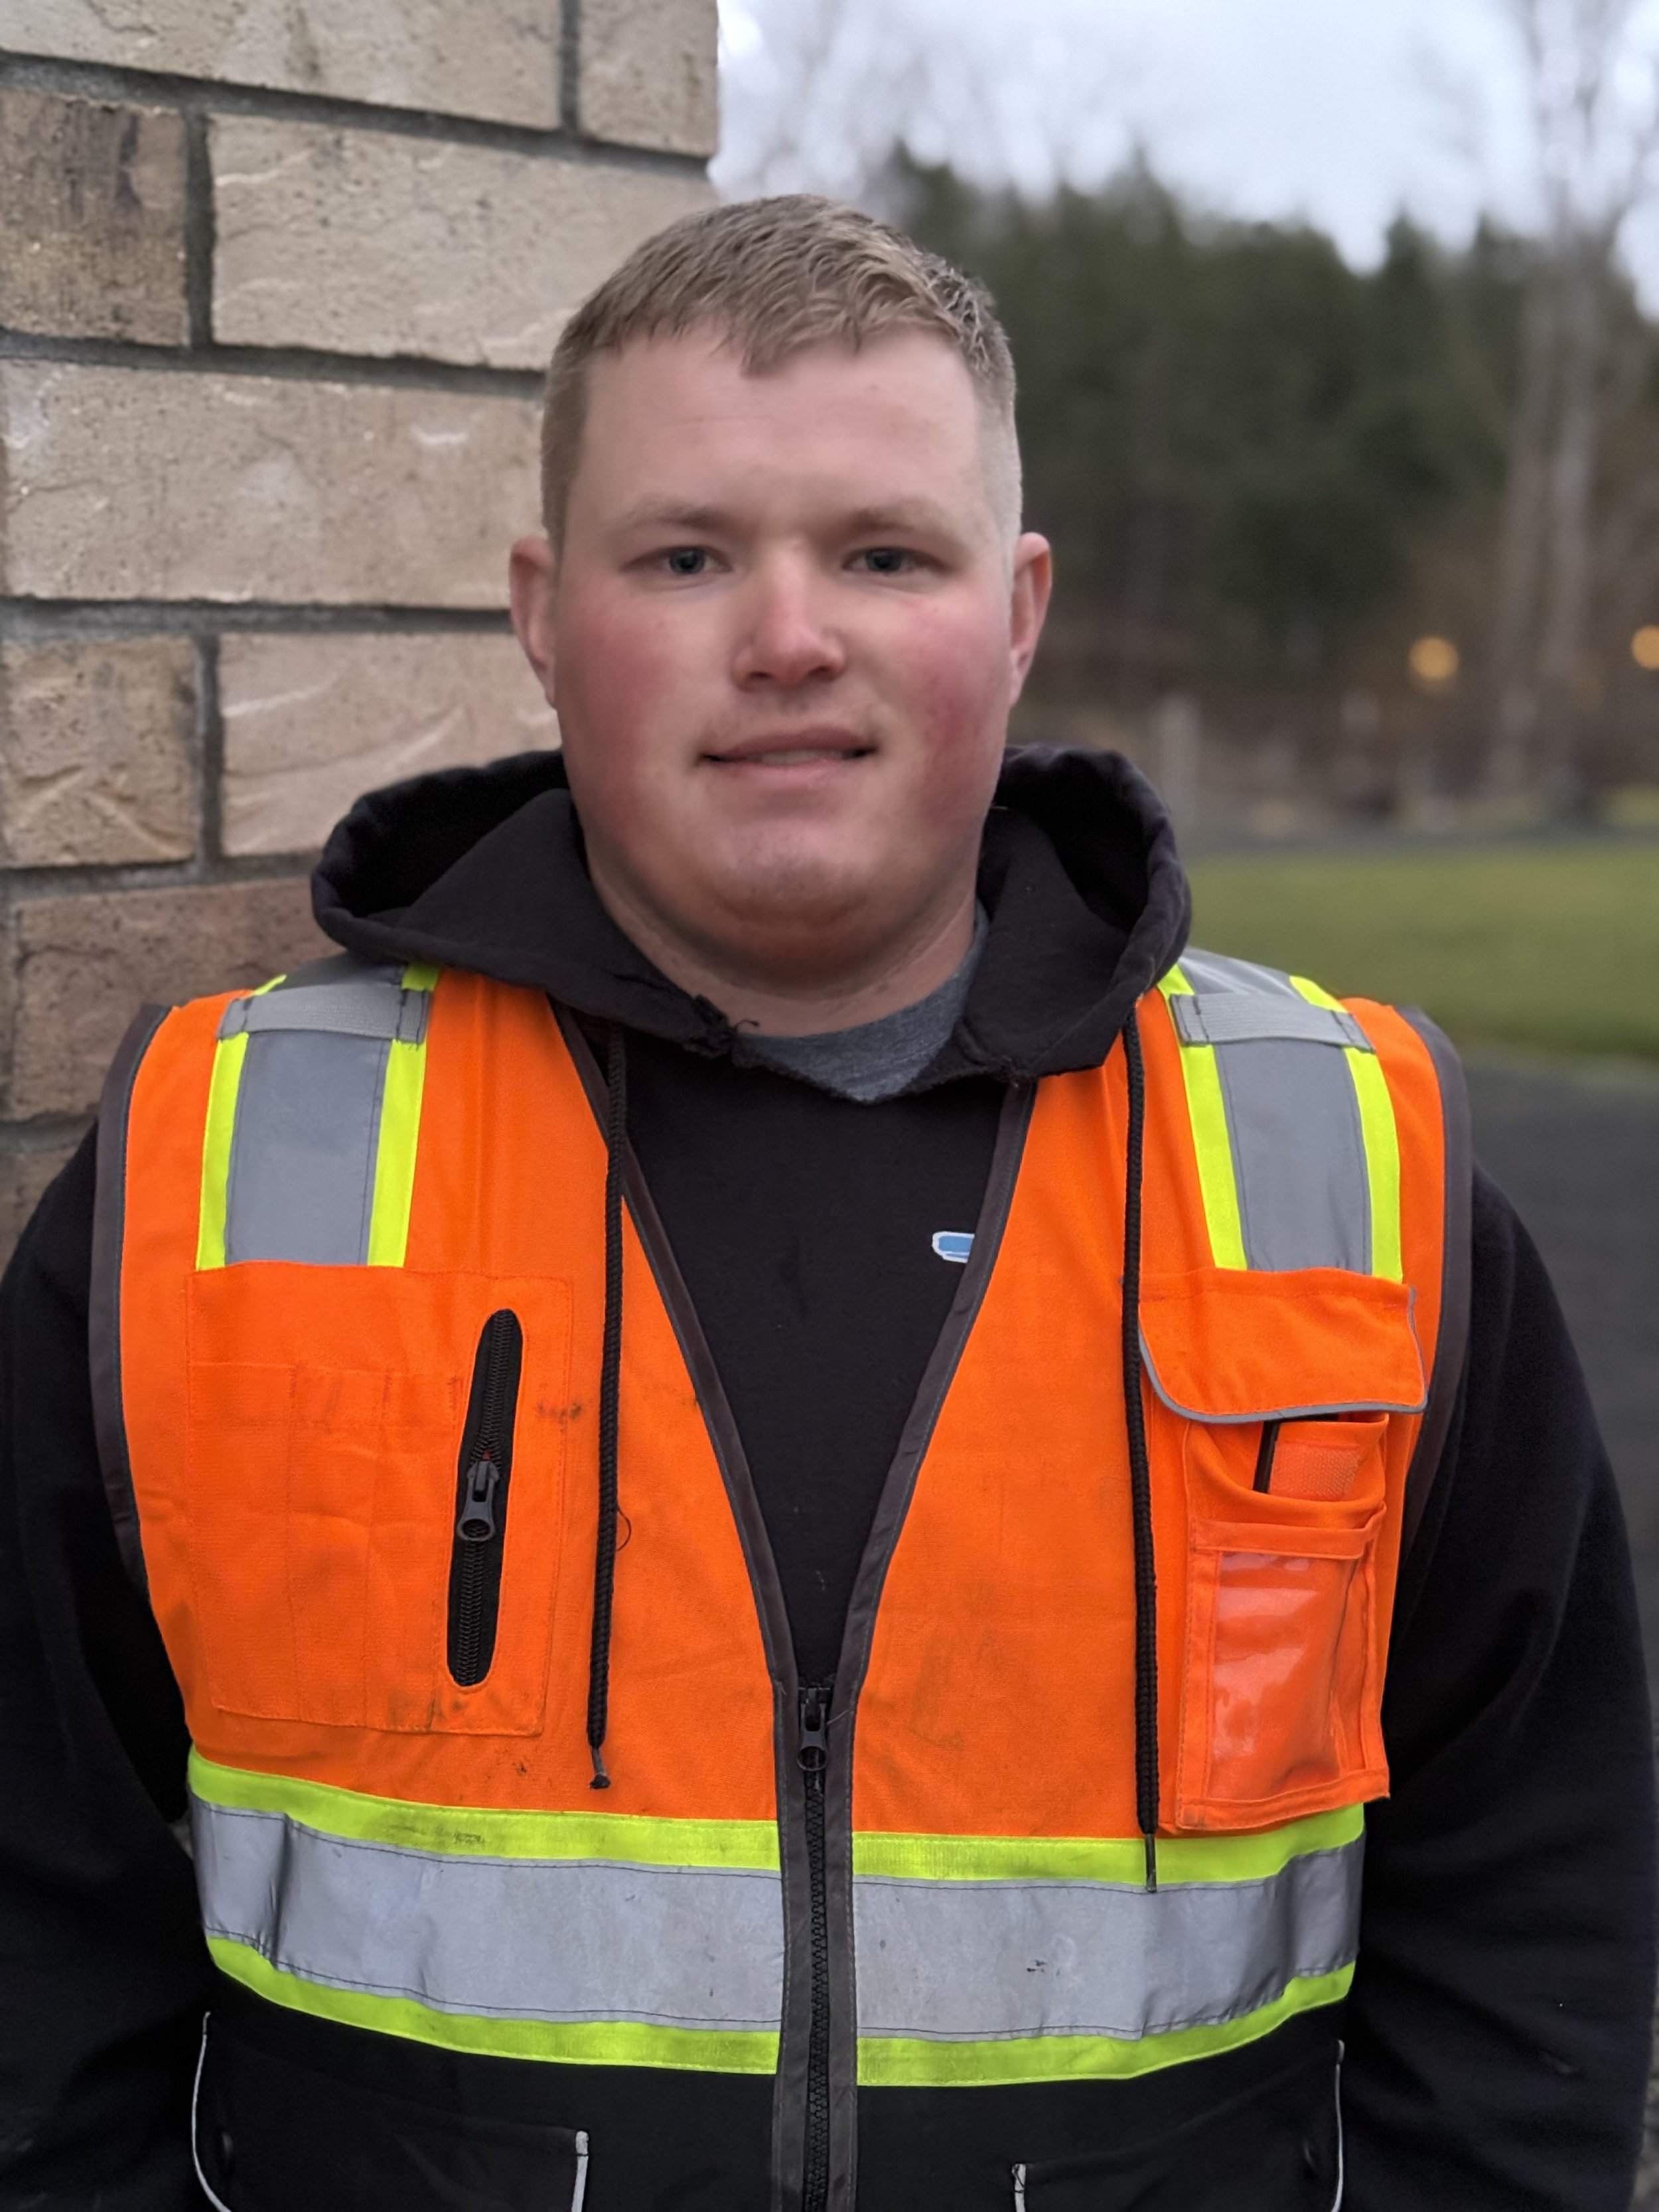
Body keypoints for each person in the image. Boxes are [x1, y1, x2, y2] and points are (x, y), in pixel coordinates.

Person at [0, 194, 1651, 2212]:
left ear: (1019, 605)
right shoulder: (215, 1162)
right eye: (686, 556)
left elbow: (1530, 1896)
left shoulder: (1348, 1169)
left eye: (883, 552)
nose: (788, 637)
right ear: (541, 605)